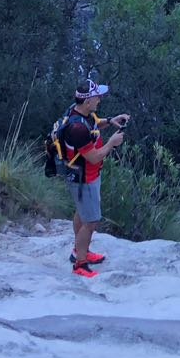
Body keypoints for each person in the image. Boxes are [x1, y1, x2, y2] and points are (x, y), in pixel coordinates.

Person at [57, 79, 129, 278]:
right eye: (97, 97)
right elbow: (94, 156)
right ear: (87, 101)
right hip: (84, 179)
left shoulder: (80, 113)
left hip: (85, 175)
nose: (100, 100)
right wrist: (112, 143)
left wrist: (110, 120)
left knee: (82, 213)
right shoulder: (77, 129)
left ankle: (79, 250)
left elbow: (94, 125)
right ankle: (80, 264)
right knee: (91, 221)